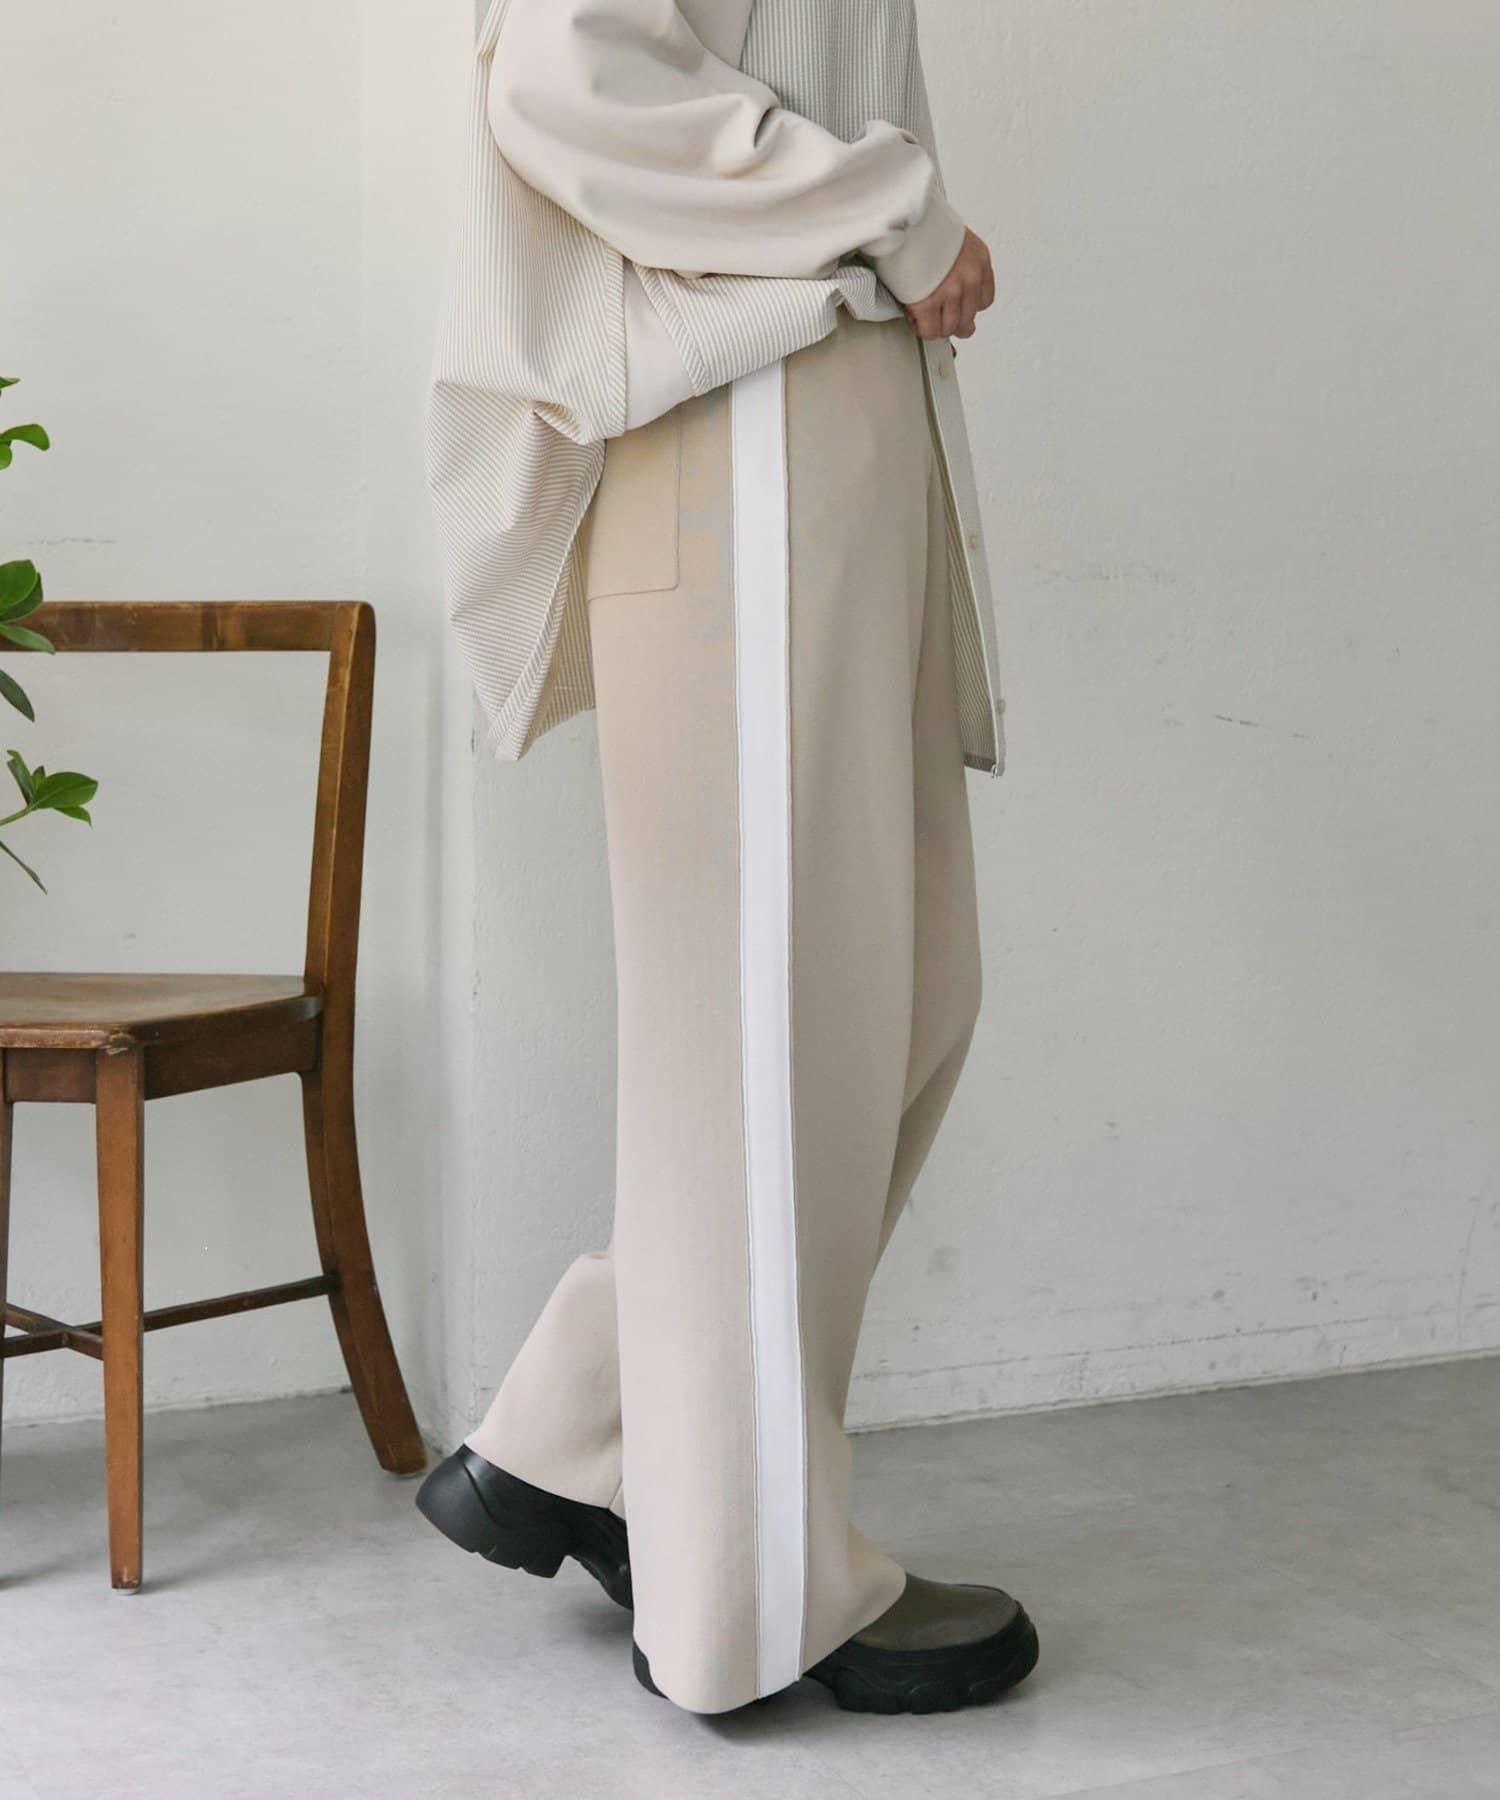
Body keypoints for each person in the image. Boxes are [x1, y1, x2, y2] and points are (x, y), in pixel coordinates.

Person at [419, 0, 1037, 1718]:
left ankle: (588, 1432)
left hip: (825, 415)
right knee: (771, 1042)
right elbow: (568, 66)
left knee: (889, 1004)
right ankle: (747, 1600)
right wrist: (896, 209)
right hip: (745, 416)